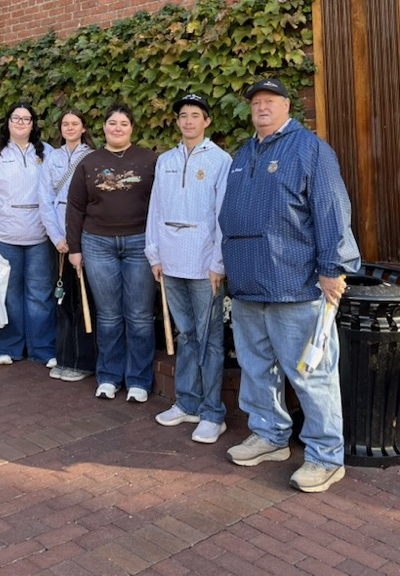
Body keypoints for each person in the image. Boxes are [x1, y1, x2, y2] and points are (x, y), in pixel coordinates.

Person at [219, 76, 361, 493]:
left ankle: (325, 456)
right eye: (256, 102)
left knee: (310, 373)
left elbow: (332, 209)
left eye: (270, 100)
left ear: (286, 106)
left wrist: (331, 266)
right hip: (246, 285)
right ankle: (270, 436)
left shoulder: (310, 149)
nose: (262, 107)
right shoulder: (244, 152)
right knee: (256, 367)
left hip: (295, 284)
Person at [146, 92, 232, 442]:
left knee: (210, 339)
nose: (188, 121)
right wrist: (154, 254)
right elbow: (156, 208)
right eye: (183, 115)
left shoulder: (220, 160)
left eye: (195, 115)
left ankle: (213, 413)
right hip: (171, 261)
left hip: (204, 264)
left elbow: (222, 213)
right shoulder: (165, 160)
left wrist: (218, 262)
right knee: (186, 335)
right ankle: (187, 402)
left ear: (207, 121)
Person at [66, 102, 157, 402]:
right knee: (107, 315)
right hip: (97, 244)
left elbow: (160, 204)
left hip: (139, 243)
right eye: (112, 123)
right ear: (103, 127)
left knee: (140, 315)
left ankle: (139, 381)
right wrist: (75, 248)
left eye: (123, 123)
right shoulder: (89, 162)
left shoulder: (149, 160)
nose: (117, 128)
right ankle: (108, 376)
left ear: (132, 128)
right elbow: (76, 206)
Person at [0, 101, 55, 365]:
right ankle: (7, 347)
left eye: (26, 119)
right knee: (7, 294)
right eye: (16, 118)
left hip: (39, 235)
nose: (21, 123)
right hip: (5, 234)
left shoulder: (47, 153)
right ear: (7, 123)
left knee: (40, 294)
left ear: (33, 124)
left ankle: (42, 348)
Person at [39, 108, 97, 382]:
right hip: (59, 240)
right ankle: (64, 357)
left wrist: (75, 241)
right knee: (62, 300)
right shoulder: (52, 158)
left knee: (83, 300)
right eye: (65, 123)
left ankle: (82, 361)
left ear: (84, 128)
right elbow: (45, 199)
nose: (70, 127)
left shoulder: (93, 157)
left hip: (83, 238)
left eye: (75, 123)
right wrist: (56, 237)